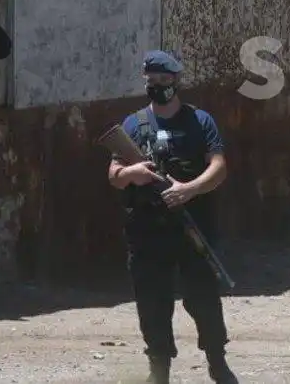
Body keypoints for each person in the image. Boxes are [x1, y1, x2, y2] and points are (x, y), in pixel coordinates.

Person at [106, 51, 236, 383]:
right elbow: (115, 175)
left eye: (164, 81)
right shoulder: (134, 125)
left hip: (192, 225)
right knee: (152, 302)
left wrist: (188, 189)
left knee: (204, 297)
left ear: (175, 82)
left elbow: (218, 168)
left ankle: (217, 361)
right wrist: (133, 171)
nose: (158, 86)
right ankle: (158, 369)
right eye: (151, 81)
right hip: (148, 230)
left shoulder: (199, 121)